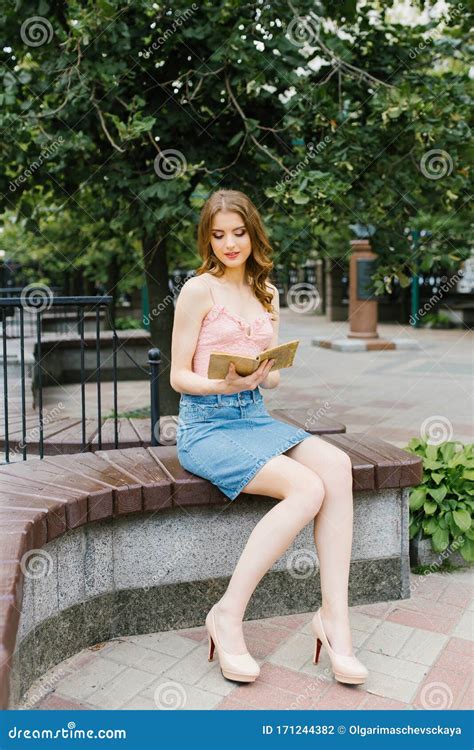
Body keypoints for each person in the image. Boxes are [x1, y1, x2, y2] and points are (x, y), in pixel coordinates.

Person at [170, 189, 368, 686]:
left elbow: (274, 377)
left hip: (254, 415)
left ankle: (334, 622)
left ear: (252, 233)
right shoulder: (198, 290)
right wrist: (221, 382)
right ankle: (227, 614)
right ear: (207, 238)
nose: (229, 244)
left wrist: (265, 371)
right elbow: (176, 375)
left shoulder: (267, 294)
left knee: (337, 467)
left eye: (238, 233)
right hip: (206, 425)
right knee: (307, 488)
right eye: (218, 235)